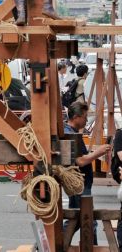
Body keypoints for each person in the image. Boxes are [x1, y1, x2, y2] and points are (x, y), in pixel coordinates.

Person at [63, 102, 111, 244]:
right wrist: (98, 152)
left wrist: (94, 154)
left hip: (80, 183)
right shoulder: (70, 134)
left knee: (77, 219)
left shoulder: (72, 133)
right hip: (79, 183)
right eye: (84, 117)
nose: (85, 120)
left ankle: (54, 243)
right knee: (87, 220)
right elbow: (80, 161)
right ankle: (90, 247)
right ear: (76, 117)